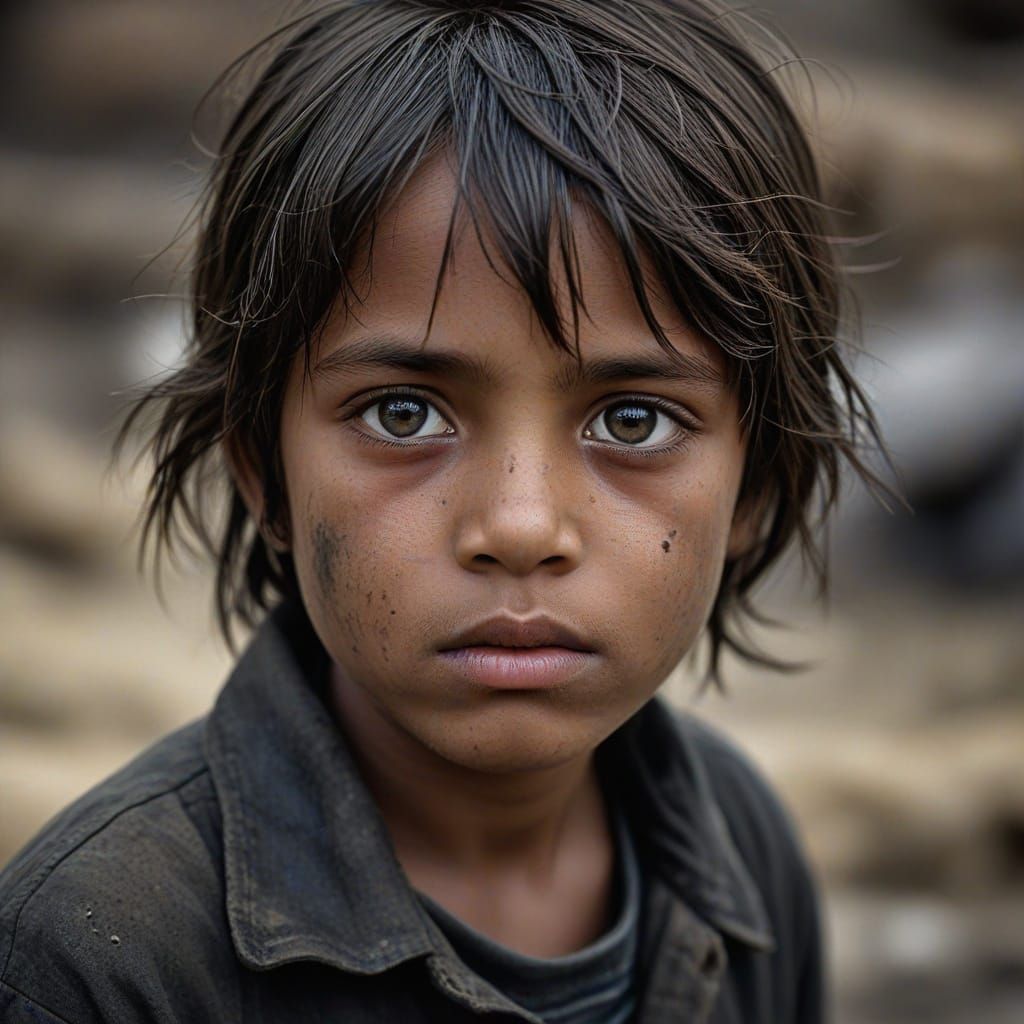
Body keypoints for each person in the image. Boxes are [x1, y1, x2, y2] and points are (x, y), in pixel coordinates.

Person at [0, 2, 887, 1021]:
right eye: (404, 412)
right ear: (262, 467)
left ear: (756, 484)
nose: (517, 525)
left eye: (633, 420)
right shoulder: (99, 965)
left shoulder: (742, 853)